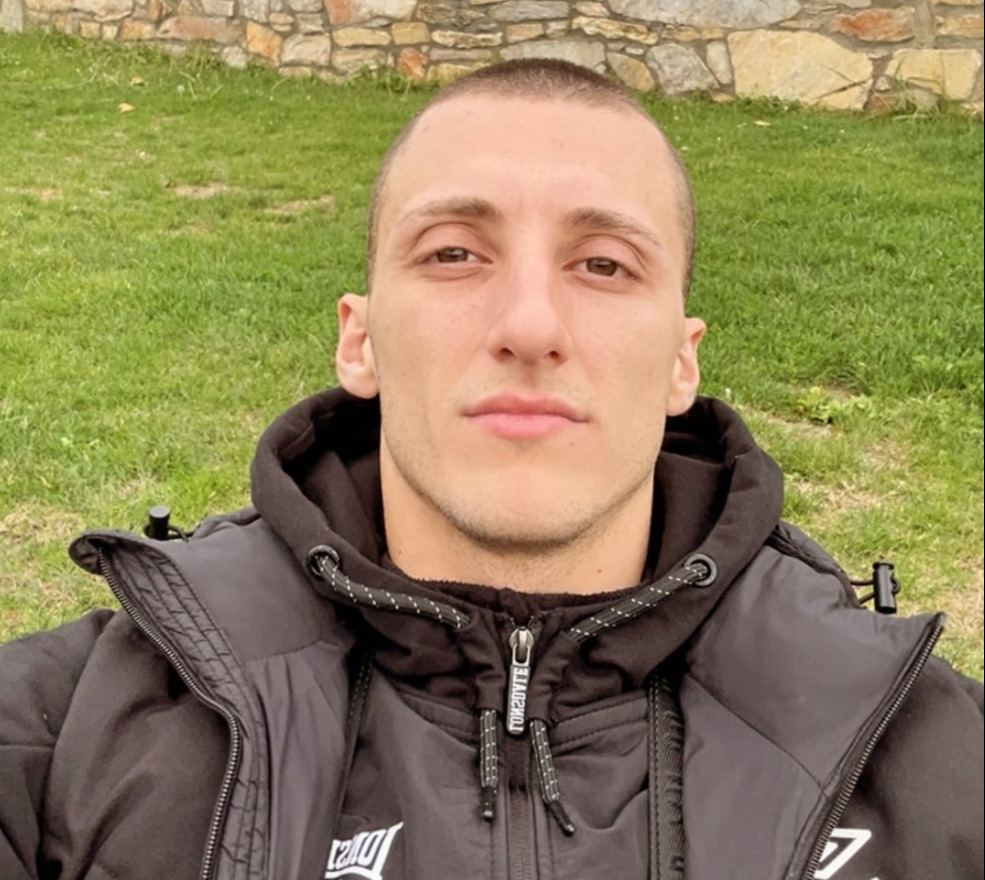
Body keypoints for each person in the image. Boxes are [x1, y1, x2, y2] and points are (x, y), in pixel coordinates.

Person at [0, 59, 981, 880]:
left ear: (681, 363)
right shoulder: (68, 731)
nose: (528, 325)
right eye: (454, 253)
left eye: (603, 264)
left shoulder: (930, 758)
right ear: (359, 339)